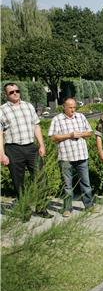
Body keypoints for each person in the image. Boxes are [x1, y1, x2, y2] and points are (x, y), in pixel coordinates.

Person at [0, 82, 52, 218]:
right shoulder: (2, 110)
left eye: (17, 90)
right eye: (11, 92)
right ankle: (25, 210)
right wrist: (2, 154)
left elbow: (36, 126)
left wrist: (41, 145)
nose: (15, 93)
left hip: (31, 148)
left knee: (41, 178)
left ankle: (41, 208)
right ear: (6, 94)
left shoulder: (28, 106)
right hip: (13, 149)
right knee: (19, 182)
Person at [48, 97, 94, 216]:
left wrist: (81, 134)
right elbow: (53, 137)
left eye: (74, 107)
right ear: (64, 106)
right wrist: (69, 135)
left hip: (81, 155)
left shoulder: (81, 117)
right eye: (70, 107)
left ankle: (89, 205)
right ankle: (67, 208)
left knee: (85, 183)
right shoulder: (57, 119)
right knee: (67, 186)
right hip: (66, 156)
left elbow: (90, 132)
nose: (73, 110)